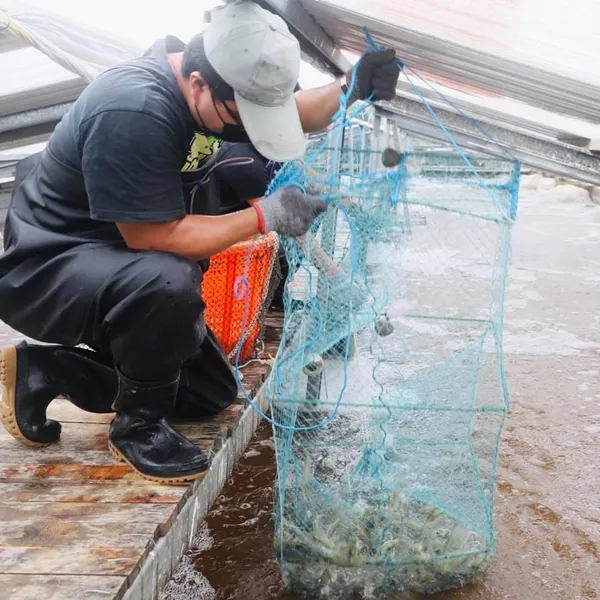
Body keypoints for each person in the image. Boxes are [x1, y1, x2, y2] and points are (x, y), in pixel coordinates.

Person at [0, 1, 400, 484]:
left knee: (209, 393)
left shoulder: (220, 84)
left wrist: (349, 87)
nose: (247, 130)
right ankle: (137, 429)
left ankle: (48, 371)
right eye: (241, 117)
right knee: (170, 277)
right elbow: (156, 238)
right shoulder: (135, 108)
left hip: (115, 264)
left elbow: (298, 111)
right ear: (197, 84)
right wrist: (264, 215)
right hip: (50, 267)